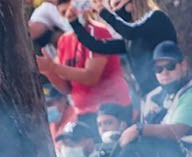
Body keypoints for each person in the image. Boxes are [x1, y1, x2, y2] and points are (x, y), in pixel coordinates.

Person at [37, 2, 131, 130]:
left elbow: (91, 77)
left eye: (71, 10)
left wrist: (53, 67)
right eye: (63, 13)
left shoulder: (96, 31)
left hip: (110, 110)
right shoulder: (64, 40)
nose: (68, 15)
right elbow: (67, 88)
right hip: (83, 112)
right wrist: (48, 71)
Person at [114, 41, 192, 157]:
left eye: (170, 66)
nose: (164, 73)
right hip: (162, 152)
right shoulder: (154, 96)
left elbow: (177, 131)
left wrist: (139, 129)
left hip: (190, 153)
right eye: (158, 69)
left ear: (183, 65)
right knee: (108, 152)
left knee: (135, 150)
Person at [69, 0, 177, 100]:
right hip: (152, 98)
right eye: (112, 8)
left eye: (117, 4)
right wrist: (74, 23)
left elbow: (131, 32)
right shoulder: (129, 41)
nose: (115, 11)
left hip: (171, 89)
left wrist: (102, 11)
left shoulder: (157, 17)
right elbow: (97, 46)